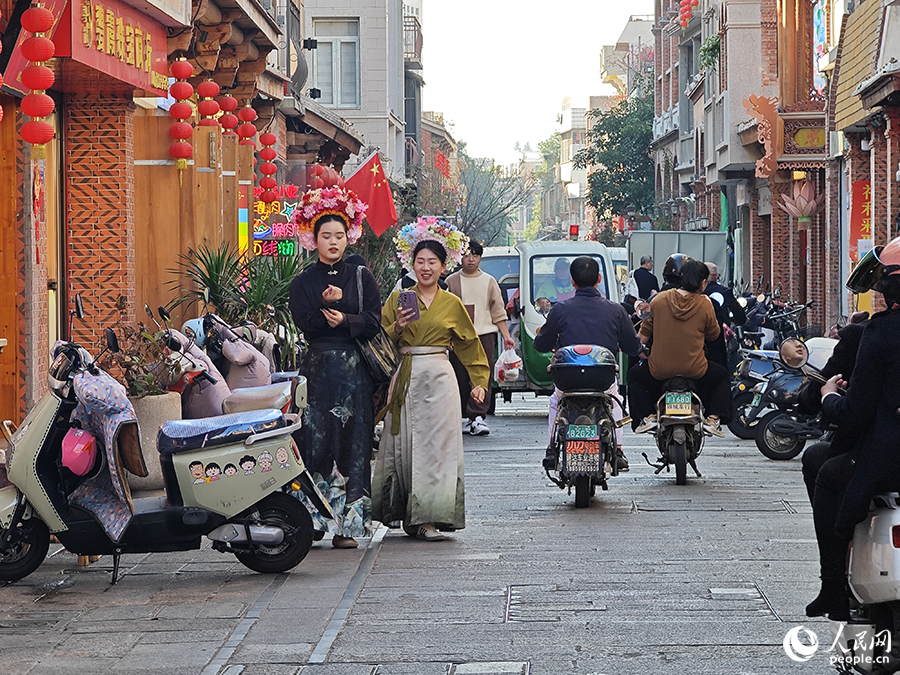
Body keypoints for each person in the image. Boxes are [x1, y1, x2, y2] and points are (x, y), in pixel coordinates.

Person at [373, 218, 489, 542]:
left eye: (432, 262)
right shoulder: (398, 300)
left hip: (440, 377)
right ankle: (411, 514)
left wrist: (479, 380)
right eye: (420, 261)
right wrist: (396, 326)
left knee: (439, 447)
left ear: (442, 267)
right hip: (408, 376)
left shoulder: (452, 303)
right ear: (411, 264)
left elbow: (469, 345)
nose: (425, 268)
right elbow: (381, 342)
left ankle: (431, 516)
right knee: (408, 446)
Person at [804, 237, 900, 621]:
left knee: (826, 471)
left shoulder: (882, 333)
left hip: (890, 460)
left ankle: (833, 588)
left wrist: (828, 396)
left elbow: (856, 414)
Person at [288, 187, 381, 549]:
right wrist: (325, 315)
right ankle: (312, 522)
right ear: (313, 239)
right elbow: (304, 323)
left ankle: (348, 527)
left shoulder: (361, 277)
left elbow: (374, 321)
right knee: (314, 442)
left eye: (339, 236)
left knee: (353, 443)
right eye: (325, 235)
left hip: (353, 371)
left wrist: (346, 317)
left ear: (348, 237)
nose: (332, 242)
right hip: (316, 370)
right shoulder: (303, 282)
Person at [533, 257, 643, 471]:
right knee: (615, 400)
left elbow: (541, 343)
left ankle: (551, 450)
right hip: (603, 378)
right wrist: (641, 351)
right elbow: (632, 345)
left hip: (568, 380)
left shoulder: (560, 309)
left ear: (572, 282)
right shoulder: (616, 310)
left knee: (556, 401)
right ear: (599, 279)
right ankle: (618, 449)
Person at [627, 257, 730, 437]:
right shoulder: (705, 303)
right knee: (722, 376)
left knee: (634, 376)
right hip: (696, 370)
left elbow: (642, 337)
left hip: (658, 370)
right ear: (703, 282)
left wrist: (641, 352)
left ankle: (648, 417)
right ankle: (712, 419)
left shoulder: (658, 300)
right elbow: (714, 335)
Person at [446, 240, 516, 436]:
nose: (470, 259)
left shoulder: (489, 281)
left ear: (480, 258)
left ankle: (477, 416)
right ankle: (463, 415)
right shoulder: (451, 281)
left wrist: (506, 336)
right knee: (459, 376)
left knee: (482, 376)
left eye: (475, 255)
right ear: (460, 256)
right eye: (467, 255)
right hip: (458, 337)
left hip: (484, 335)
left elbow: (498, 310)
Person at [703, 262, 747, 370]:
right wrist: (740, 320)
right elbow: (739, 315)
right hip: (719, 337)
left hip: (698, 336)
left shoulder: (697, 293)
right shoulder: (725, 292)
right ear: (716, 276)